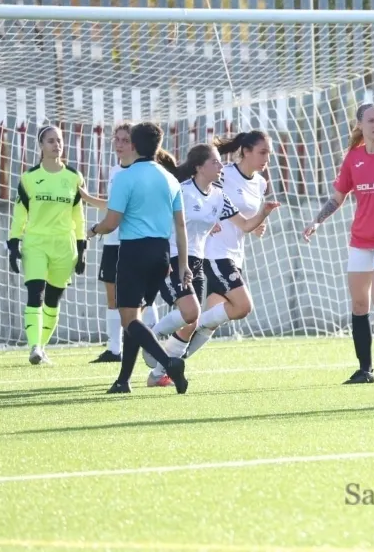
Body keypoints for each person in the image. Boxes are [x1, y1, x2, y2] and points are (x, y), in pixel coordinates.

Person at [303, 102, 374, 385]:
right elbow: (337, 198)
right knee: (358, 304)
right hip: (360, 240)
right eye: (371, 120)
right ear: (360, 125)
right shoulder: (352, 159)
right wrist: (317, 221)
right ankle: (365, 370)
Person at [144, 142, 279, 385]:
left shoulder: (219, 196)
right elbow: (161, 222)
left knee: (193, 320)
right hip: (174, 258)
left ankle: (157, 375)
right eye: (215, 162)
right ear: (199, 167)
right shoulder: (182, 192)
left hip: (196, 262)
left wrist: (263, 213)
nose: (220, 166)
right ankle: (150, 338)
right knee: (190, 314)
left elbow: (245, 225)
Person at [86, 121, 189, 394]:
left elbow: (111, 222)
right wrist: (183, 265)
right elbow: (181, 226)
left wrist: (93, 230)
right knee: (135, 318)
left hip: (134, 252)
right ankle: (123, 381)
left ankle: (169, 363)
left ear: (134, 144)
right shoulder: (169, 178)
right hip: (162, 254)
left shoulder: (125, 176)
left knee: (129, 320)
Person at [180, 131, 277, 361]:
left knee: (211, 322)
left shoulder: (261, 183)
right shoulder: (224, 174)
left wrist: (257, 225)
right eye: (262, 152)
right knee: (242, 306)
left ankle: (170, 364)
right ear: (246, 151)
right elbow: (201, 193)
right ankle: (175, 342)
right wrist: (207, 220)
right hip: (214, 252)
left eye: (269, 154)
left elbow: (243, 219)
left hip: (235, 255)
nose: (266, 159)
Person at [6, 125, 88, 365]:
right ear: (41, 145)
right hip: (36, 243)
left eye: (59, 140)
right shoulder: (29, 178)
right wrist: (13, 243)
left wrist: (82, 247)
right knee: (36, 293)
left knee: (52, 300)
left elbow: (78, 216)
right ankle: (34, 347)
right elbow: (19, 214)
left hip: (64, 245)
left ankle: (41, 347)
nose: (56, 145)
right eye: (51, 141)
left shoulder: (74, 177)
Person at [80, 123, 134, 363]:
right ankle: (114, 349)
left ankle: (150, 344)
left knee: (139, 300)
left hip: (133, 243)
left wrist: (96, 229)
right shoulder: (114, 171)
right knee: (112, 297)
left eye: (125, 140)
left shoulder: (140, 172)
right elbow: (113, 206)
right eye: (117, 139)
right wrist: (87, 198)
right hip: (112, 243)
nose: (119, 145)